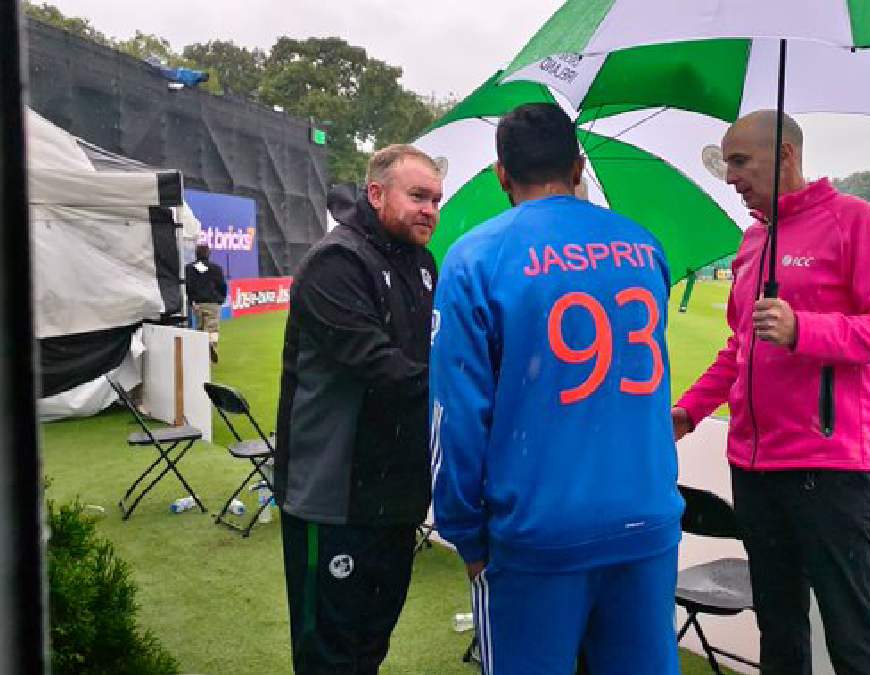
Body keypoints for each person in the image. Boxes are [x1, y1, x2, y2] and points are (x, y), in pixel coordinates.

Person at [431, 103, 683, 675]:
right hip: (645, 518)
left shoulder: (476, 255)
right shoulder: (644, 246)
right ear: (578, 166)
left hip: (537, 529)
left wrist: (465, 533)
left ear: (501, 173)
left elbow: (457, 415)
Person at [671, 110, 870, 675]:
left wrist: (804, 328)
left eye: (740, 161)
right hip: (754, 467)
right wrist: (688, 411)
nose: (730, 176)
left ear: (785, 154)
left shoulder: (855, 220)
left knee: (850, 632)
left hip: (828, 470)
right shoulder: (754, 238)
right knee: (778, 629)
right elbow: (740, 347)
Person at [274, 144, 442, 674]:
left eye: (436, 199)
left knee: (371, 641)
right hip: (333, 498)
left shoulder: (423, 264)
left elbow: (430, 355)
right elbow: (383, 368)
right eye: (418, 196)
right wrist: (471, 388)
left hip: (396, 495)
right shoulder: (336, 262)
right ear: (375, 193)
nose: (430, 210)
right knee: (329, 653)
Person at [185, 243, 227, 363]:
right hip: (213, 303)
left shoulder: (189, 268)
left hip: (197, 303)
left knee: (200, 326)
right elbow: (222, 286)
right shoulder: (216, 268)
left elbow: (187, 286)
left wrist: (191, 300)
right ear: (209, 253)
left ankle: (200, 352)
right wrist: (221, 299)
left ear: (196, 254)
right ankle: (211, 345)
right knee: (213, 328)